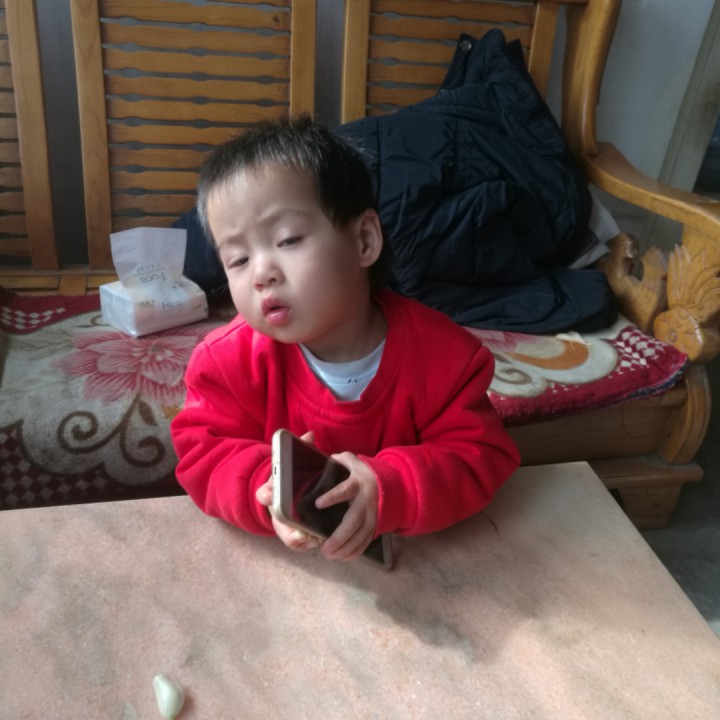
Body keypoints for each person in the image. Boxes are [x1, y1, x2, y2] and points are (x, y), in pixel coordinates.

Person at [170, 115, 520, 562]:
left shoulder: (447, 359)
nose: (261, 273)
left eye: (288, 239)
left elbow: (479, 457)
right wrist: (264, 487)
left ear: (364, 241)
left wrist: (390, 487)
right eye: (237, 259)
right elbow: (204, 456)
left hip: (423, 570)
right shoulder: (225, 363)